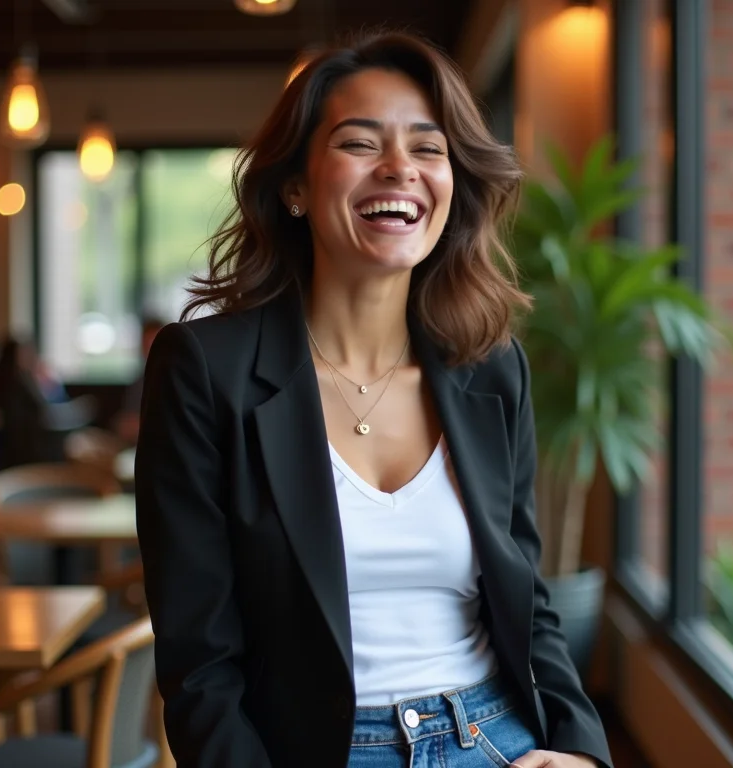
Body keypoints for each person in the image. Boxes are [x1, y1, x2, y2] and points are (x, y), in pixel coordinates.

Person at [135, 33, 612, 768]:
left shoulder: (491, 370)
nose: (400, 170)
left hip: (496, 737)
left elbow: (527, 599)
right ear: (295, 186)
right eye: (360, 143)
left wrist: (579, 749)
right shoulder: (204, 371)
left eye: (429, 149)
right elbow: (200, 665)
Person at [114, 315, 165, 444]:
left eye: (155, 347)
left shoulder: (181, 383)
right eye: (147, 347)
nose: (151, 354)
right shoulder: (140, 382)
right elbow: (125, 427)